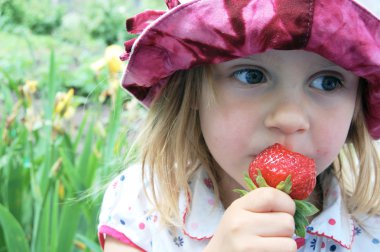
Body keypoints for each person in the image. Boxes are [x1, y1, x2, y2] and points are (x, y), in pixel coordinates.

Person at [98, 0, 380, 251]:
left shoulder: (371, 229)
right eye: (251, 75)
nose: (290, 118)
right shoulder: (145, 204)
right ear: (193, 89)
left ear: (357, 104)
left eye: (327, 82)